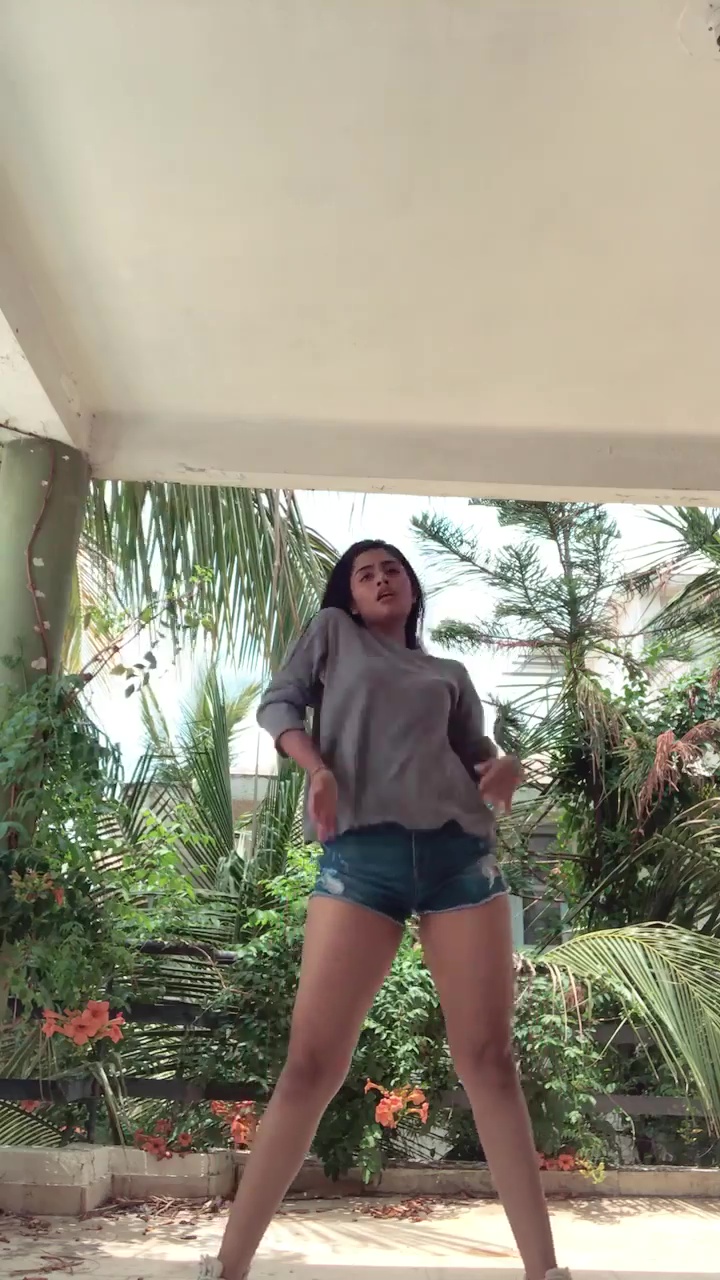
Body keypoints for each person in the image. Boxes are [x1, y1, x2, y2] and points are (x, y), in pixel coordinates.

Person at [198, 540, 571, 1280]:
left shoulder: (449, 674)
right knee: (311, 1065)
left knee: (490, 1062)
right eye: (365, 574)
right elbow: (279, 704)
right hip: (361, 860)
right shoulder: (332, 635)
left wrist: (505, 767)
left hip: (459, 860)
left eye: (391, 569)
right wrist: (317, 768)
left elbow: (476, 753)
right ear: (351, 594)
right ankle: (227, 1268)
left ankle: (545, 1272)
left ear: (411, 587)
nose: (379, 579)